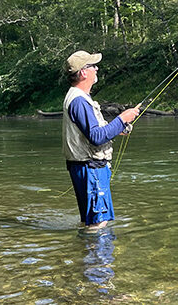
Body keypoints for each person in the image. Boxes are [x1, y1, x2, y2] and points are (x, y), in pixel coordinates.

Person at [62, 50, 140, 232]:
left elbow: (94, 132)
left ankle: (85, 256)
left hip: (85, 167)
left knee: (90, 221)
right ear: (83, 72)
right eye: (93, 66)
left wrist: (120, 127)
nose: (97, 69)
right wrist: (122, 118)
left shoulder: (78, 98)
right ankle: (98, 260)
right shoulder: (79, 101)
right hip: (90, 169)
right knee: (98, 223)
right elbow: (96, 137)